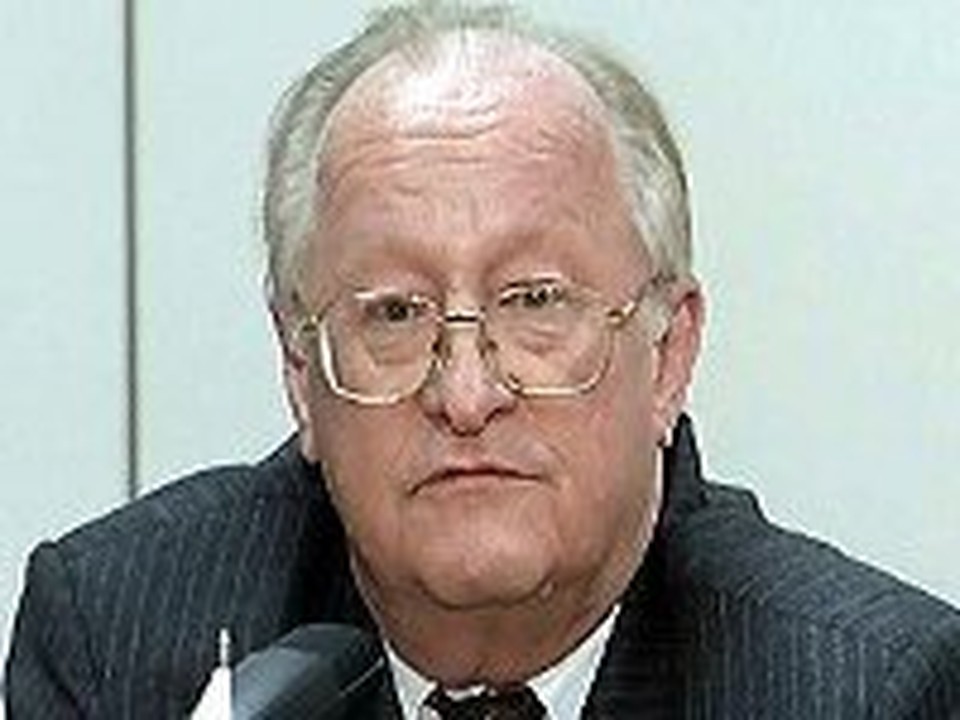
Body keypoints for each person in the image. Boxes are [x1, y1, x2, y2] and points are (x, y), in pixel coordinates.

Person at [6, 2, 960, 718]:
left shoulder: (862, 688)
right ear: (300, 368)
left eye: (535, 301)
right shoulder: (115, 642)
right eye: (394, 313)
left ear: (667, 354)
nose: (465, 395)